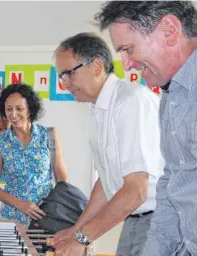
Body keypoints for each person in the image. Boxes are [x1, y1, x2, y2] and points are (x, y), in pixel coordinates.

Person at [94, 2, 197, 255]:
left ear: (169, 30)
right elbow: (173, 187)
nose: (126, 64)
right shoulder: (171, 97)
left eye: (128, 49)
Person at [51, 33, 163, 256]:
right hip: (134, 220)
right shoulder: (95, 110)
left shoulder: (131, 102)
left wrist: (82, 239)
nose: (65, 84)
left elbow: (136, 191)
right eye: (61, 77)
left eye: (68, 74)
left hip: (161, 220)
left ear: (96, 66)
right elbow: (107, 181)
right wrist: (76, 230)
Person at [0, 83, 69, 226]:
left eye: (19, 109)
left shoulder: (49, 135)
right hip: (11, 218)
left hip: (45, 217)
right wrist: (20, 204)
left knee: (42, 249)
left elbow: (62, 180)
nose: (13, 114)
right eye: (9, 109)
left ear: (30, 109)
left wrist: (56, 208)